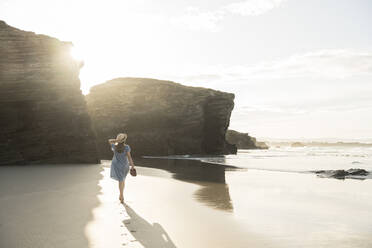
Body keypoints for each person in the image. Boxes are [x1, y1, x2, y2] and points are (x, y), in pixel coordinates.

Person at [108, 133, 135, 203]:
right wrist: (132, 166)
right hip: (124, 166)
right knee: (122, 180)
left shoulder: (114, 146)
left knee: (121, 180)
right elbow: (129, 157)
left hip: (116, 165)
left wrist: (117, 140)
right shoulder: (127, 147)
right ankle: (121, 195)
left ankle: (121, 195)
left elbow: (110, 140)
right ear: (124, 140)